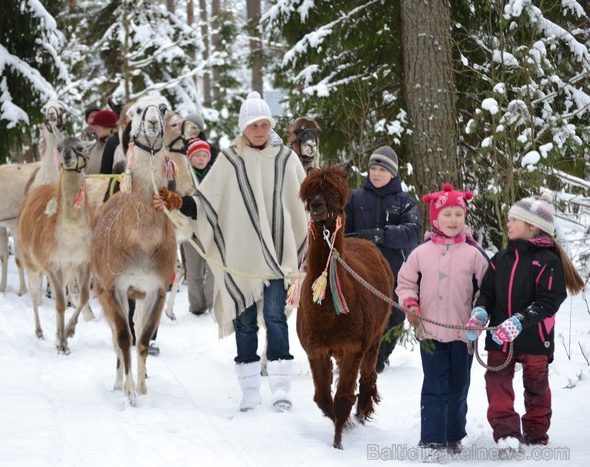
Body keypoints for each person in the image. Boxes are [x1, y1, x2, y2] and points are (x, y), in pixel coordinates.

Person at [154, 91, 307, 412]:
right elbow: (208, 202)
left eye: (265, 124)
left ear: (271, 125)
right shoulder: (229, 160)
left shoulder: (286, 160)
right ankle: (250, 389)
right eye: (254, 125)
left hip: (279, 257)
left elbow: (300, 204)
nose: (260, 130)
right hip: (240, 258)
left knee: (277, 318)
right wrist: (180, 202)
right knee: (246, 322)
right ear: (243, 127)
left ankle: (281, 386)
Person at [465, 194, 584, 455]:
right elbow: (487, 292)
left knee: (536, 387)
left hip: (534, 339)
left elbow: (549, 300)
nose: (507, 224)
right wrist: (480, 314)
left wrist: (520, 321)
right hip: (499, 338)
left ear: (532, 226)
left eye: (513, 220)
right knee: (496, 384)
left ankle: (536, 432)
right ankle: (507, 434)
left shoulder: (548, 262)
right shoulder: (500, 260)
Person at [396, 183, 490, 462]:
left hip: (464, 335)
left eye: (458, 214)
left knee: (459, 386)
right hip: (430, 333)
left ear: (465, 218)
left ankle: (453, 435)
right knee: (435, 385)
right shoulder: (420, 253)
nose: (453, 220)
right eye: (446, 214)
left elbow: (486, 290)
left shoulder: (474, 253)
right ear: (435, 218)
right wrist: (410, 306)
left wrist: (479, 315)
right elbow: (405, 283)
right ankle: (432, 440)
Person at [344, 146, 422, 373]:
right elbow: (344, 232)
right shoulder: (354, 198)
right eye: (373, 168)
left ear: (393, 173)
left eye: (382, 169)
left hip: (395, 273)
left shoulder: (405, 201)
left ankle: (382, 354)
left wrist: (380, 235)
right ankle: (360, 355)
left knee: (395, 318)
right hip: (360, 272)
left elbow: (413, 232)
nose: (376, 173)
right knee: (360, 316)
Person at [181, 138, 214, 315]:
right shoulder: (184, 177)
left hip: (210, 231)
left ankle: (212, 303)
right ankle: (197, 306)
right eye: (197, 155)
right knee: (194, 271)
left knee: (214, 269)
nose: (201, 159)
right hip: (191, 231)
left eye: (205, 155)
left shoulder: (214, 175)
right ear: (189, 157)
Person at [86, 109, 118, 174]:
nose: (94, 130)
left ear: (106, 127)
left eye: (97, 127)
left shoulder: (116, 146)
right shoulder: (95, 145)